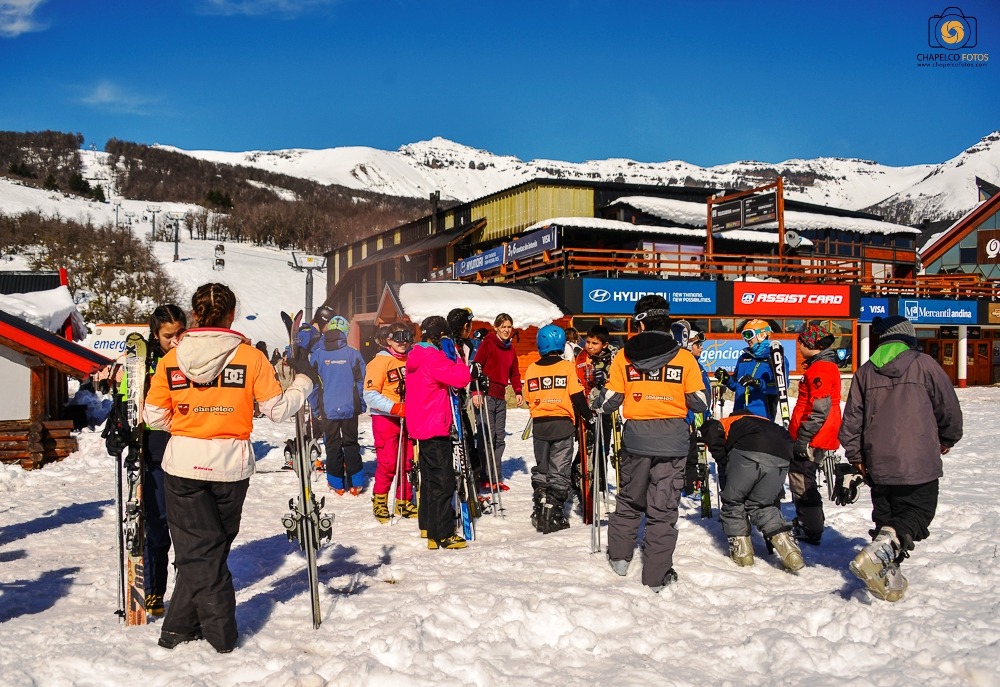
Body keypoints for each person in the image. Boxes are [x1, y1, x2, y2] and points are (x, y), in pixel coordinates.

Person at [143, 283, 315, 653]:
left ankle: (192, 631)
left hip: (184, 462)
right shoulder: (250, 357)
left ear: (194, 315)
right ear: (232, 315)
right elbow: (278, 410)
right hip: (231, 464)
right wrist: (303, 383)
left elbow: (153, 415)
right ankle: (208, 631)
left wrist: (189, 425)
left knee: (200, 551)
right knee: (210, 549)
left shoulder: (171, 360)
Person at [839, 315, 963, 602]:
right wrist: (948, 438)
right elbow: (948, 408)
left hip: (877, 462)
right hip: (918, 460)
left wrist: (857, 456)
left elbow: (852, 420)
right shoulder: (925, 364)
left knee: (887, 520)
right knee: (917, 515)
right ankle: (881, 556)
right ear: (909, 336)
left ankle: (887, 578)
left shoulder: (865, 372)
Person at [593, 295, 708, 592]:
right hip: (673, 442)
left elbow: (610, 401)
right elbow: (699, 402)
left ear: (640, 322)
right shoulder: (685, 357)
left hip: (636, 438)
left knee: (630, 498)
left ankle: (620, 558)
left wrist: (597, 397)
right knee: (663, 508)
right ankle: (655, 576)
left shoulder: (624, 356)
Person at [121, 304, 186, 618]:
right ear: (156, 334)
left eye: (179, 333)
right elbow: (126, 396)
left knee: (187, 526)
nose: (175, 341)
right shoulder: (144, 363)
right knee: (158, 523)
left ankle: (189, 589)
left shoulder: (192, 358)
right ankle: (154, 591)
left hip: (187, 443)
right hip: (154, 446)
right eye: (168, 335)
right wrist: (121, 425)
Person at [701, 411, 804, 572]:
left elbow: (710, 429)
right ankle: (790, 551)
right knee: (762, 505)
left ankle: (743, 554)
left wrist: (722, 460)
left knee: (733, 500)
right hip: (783, 454)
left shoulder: (727, 421)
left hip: (749, 450)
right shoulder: (767, 421)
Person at [406, 316, 472, 550]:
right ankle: (443, 533)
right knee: (443, 481)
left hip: (421, 425)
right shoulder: (433, 357)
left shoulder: (416, 355)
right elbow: (461, 377)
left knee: (430, 480)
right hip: (435, 425)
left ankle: (430, 527)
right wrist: (458, 356)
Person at [524, 325, 592, 533]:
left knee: (542, 467)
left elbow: (528, 398)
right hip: (562, 425)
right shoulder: (567, 367)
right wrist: (589, 416)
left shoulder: (531, 369)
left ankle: (541, 505)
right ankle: (552, 514)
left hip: (540, 425)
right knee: (559, 469)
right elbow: (577, 395)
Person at [788, 323, 842, 545]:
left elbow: (820, 408)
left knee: (802, 480)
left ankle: (810, 528)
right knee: (804, 478)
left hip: (813, 436)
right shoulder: (822, 366)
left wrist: (804, 438)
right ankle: (808, 523)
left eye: (801, 342)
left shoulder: (820, 369)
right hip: (816, 434)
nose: (798, 346)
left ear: (812, 344)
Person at [364, 322, 416, 523]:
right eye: (398, 337)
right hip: (386, 418)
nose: (403, 342)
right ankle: (380, 501)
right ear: (389, 340)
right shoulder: (379, 362)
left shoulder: (412, 359)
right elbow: (370, 395)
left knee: (408, 461)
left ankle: (404, 500)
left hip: (409, 417)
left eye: (407, 337)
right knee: (388, 462)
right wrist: (395, 408)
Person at [311, 315, 367, 495]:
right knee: (351, 443)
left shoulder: (318, 354)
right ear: (345, 332)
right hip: (350, 407)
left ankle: (336, 483)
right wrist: (361, 404)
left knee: (332, 445)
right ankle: (355, 483)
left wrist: (316, 408)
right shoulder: (353, 354)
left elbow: (311, 384)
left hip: (327, 408)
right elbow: (362, 381)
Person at [471, 313, 523, 491]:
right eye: (503, 326)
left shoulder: (510, 349)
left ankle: (495, 476)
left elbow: (515, 373)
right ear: (496, 327)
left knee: (499, 439)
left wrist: (517, 390)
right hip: (485, 395)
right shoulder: (488, 343)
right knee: (487, 437)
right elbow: (476, 367)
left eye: (509, 326)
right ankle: (485, 476)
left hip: (501, 397)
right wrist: (474, 392)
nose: (507, 330)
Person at [714, 319, 788, 421]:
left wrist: (758, 383)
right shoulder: (743, 358)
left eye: (749, 335)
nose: (746, 339)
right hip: (739, 414)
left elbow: (781, 386)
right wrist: (727, 379)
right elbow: (737, 384)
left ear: (761, 335)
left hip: (761, 416)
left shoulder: (774, 358)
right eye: (744, 335)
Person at [682, 328, 716, 495]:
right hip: (691, 417)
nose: (701, 348)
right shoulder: (687, 365)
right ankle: (688, 487)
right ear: (689, 346)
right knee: (691, 455)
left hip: (701, 415)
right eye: (698, 344)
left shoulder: (698, 365)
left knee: (699, 453)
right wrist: (689, 419)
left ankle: (696, 484)